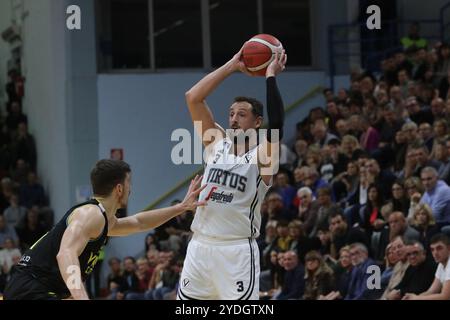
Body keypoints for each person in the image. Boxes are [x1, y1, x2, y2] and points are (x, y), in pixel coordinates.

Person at [3, 159, 206, 300]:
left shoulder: (104, 220)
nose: (131, 189)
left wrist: (179, 208)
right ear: (119, 189)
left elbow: (139, 223)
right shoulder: (90, 214)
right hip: (30, 287)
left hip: (39, 288)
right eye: (129, 183)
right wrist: (80, 295)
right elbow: (66, 254)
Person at [179, 44, 286, 300]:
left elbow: (279, 123)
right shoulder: (216, 142)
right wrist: (233, 65)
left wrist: (270, 74)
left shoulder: (262, 155)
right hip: (200, 246)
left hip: (236, 251)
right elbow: (193, 97)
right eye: (230, 114)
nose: (234, 119)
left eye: (241, 114)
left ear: (257, 122)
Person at [403, 234, 450, 300]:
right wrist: (415, 297)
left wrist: (416, 298)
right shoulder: (441, 264)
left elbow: (445, 296)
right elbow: (432, 291)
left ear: (449, 248)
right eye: (432, 249)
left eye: (439, 248)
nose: (435, 253)